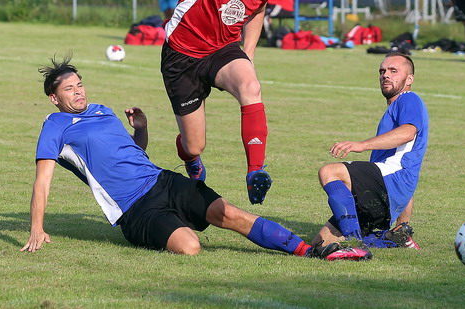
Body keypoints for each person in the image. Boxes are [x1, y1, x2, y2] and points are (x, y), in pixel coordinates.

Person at [20, 56, 370, 261]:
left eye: (79, 84)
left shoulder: (102, 110)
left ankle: (309, 250)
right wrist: (37, 228)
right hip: (135, 209)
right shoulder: (55, 126)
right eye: (69, 89)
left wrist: (141, 130)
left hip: (162, 181)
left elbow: (134, 154)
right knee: (190, 248)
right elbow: (42, 182)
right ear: (54, 98)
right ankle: (176, 223)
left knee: (229, 213)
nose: (78, 92)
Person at [131, 0, 279, 205]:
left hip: (222, 50)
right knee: (194, 144)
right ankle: (190, 157)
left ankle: (255, 173)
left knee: (251, 87)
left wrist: (248, 53)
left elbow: (258, 8)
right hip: (181, 55)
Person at [313, 53, 428, 249]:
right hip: (385, 193)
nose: (386, 75)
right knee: (320, 244)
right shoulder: (394, 109)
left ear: (409, 79)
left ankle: (355, 240)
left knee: (329, 172)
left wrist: (362, 145)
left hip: (388, 185)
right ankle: (394, 238)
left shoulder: (409, 99)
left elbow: (408, 133)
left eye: (393, 71)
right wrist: (402, 226)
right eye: (382, 71)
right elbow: (406, 178)